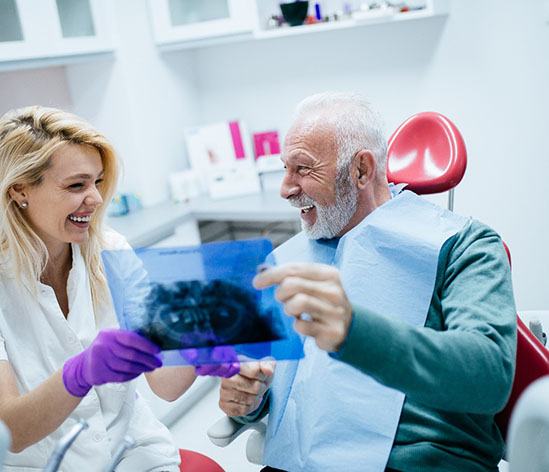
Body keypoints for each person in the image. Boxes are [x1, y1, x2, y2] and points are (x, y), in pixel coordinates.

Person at [218, 92, 517, 472]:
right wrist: (248, 399)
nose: (286, 188)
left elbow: (488, 376)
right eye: (285, 168)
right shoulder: (289, 261)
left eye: (303, 169)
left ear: (361, 170)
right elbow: (277, 381)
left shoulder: (463, 246)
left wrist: (354, 331)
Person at [0, 106, 236, 471]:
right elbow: (9, 431)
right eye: (76, 185)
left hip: (133, 454)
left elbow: (164, 383)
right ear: (19, 190)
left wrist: (199, 348)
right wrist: (78, 373)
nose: (95, 198)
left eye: (97, 181)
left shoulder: (110, 250)